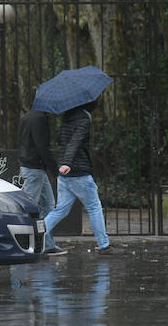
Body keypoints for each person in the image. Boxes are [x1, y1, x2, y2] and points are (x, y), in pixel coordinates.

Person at [42, 99, 124, 255]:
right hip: (79, 172)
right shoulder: (83, 118)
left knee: (60, 210)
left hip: (65, 174)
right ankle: (104, 245)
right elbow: (76, 141)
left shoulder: (66, 117)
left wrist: (64, 163)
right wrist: (68, 162)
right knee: (94, 207)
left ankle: (34, 236)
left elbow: (61, 140)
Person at [17, 109, 67, 256]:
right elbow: (42, 147)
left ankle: (48, 244)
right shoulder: (39, 119)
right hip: (35, 168)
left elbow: (21, 142)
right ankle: (24, 244)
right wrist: (54, 168)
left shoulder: (27, 116)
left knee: (48, 205)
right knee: (28, 208)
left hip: (33, 167)